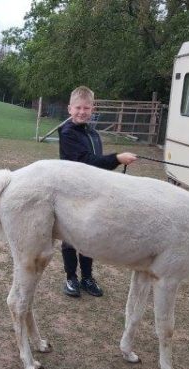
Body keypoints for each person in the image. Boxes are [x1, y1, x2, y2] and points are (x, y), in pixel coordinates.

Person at [58, 86, 137, 297]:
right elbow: (86, 162)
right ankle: (71, 278)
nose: (82, 112)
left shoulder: (93, 133)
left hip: (92, 193)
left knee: (88, 237)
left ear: (93, 109)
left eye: (86, 108)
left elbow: (97, 169)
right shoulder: (67, 133)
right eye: (78, 107)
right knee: (70, 238)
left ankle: (87, 278)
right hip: (71, 193)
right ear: (69, 109)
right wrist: (117, 158)